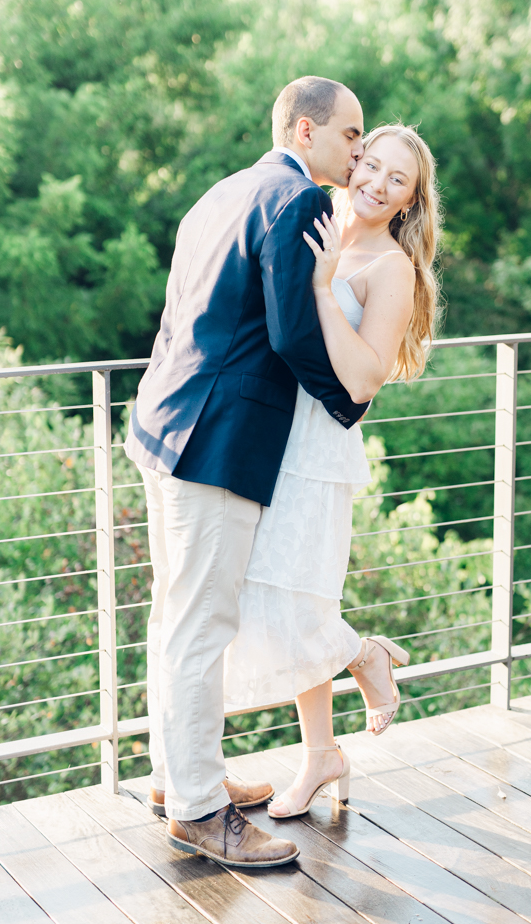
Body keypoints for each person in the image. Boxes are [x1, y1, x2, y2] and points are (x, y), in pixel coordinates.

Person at [124, 76, 370, 868]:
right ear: (305, 130)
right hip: (217, 442)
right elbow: (295, 329)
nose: (358, 148)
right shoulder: (299, 203)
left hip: (163, 427)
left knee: (175, 615)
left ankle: (177, 776)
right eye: (349, 133)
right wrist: (348, 403)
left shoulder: (220, 193)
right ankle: (198, 810)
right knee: (201, 625)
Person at [220, 124, 441, 819]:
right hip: (265, 436)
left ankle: (362, 659)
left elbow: (362, 379)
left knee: (296, 598)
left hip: (317, 451)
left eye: (395, 179)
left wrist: (319, 289)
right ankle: (322, 750)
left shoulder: (389, 268)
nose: (376, 183)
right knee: (274, 599)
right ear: (350, 164)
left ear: (410, 200)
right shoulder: (309, 220)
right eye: (370, 165)